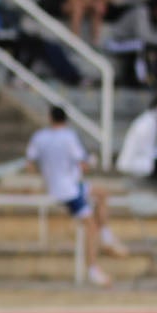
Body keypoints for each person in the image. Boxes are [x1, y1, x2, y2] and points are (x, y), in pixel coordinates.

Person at [27, 105, 119, 288]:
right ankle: (93, 268)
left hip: (64, 185)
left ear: (50, 118)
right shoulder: (69, 137)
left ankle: (107, 237)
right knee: (90, 226)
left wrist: (46, 174)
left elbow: (30, 164)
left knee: (101, 193)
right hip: (67, 190)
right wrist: (87, 162)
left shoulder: (40, 137)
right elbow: (83, 163)